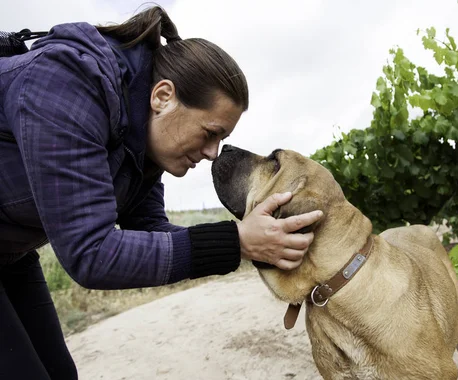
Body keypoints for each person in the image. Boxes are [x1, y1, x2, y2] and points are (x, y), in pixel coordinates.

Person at [0, 6, 323, 379]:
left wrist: (264, 245)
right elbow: (91, 254)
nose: (213, 153)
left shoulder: (141, 141)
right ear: (163, 96)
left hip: (11, 254)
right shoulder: (68, 84)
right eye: (210, 132)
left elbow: (152, 231)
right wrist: (238, 241)